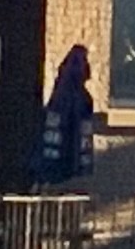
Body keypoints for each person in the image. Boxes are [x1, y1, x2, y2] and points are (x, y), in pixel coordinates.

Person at [32, 44, 95, 185]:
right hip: (63, 166)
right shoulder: (73, 98)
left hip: (57, 163)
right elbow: (71, 133)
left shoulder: (64, 94)